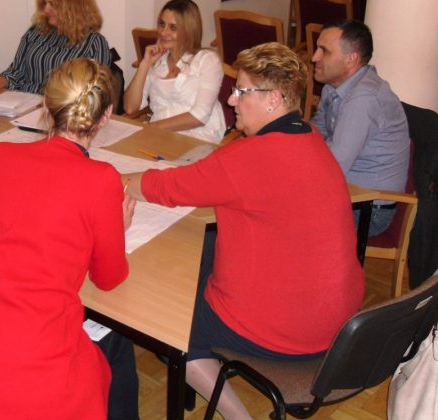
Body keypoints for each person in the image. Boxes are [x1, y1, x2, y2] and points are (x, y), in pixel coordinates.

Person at [123, 43, 364, 419]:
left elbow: (164, 188)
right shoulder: (311, 138)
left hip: (287, 333)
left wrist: (110, 178)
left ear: (274, 99)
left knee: (164, 319)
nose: (232, 100)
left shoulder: (248, 158)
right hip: (342, 325)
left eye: (242, 91)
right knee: (205, 247)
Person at [0, 58, 139, 419]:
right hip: (32, 383)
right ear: (105, 117)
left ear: (46, 105)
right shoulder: (102, 179)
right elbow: (108, 278)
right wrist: (116, 228)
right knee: (117, 340)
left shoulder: (0, 155)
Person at [311, 19, 410, 236]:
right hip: (345, 194)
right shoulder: (333, 87)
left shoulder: (364, 98)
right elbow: (313, 136)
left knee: (279, 215)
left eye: (324, 51)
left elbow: (333, 166)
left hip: (368, 209)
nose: (314, 57)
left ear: (351, 59)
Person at [123, 0, 225, 143]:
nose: (163, 32)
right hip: (159, 136)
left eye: (173, 28)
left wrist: (151, 128)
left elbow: (199, 116)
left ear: (189, 31)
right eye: (162, 24)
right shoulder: (157, 61)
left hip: (199, 137)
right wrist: (145, 64)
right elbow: (130, 108)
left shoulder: (207, 60)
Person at [0, 0, 111, 96]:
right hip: (22, 104)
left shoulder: (94, 43)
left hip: (61, 113)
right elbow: (16, 71)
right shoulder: (36, 32)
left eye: (53, 5)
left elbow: (95, 94)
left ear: (73, 8)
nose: (46, 9)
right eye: (45, 3)